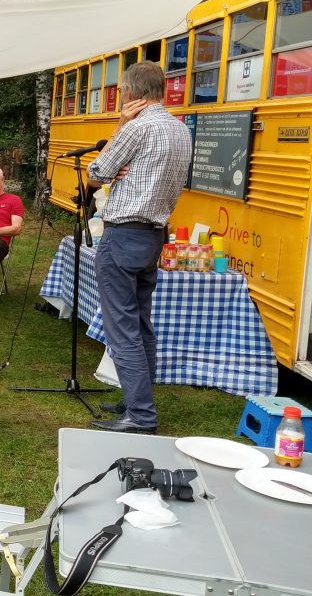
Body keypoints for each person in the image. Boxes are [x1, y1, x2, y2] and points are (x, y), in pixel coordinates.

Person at [86, 62, 192, 434]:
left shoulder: (136, 127)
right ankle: (136, 398)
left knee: (123, 328)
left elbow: (97, 172)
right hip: (154, 233)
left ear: (130, 92)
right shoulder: (180, 130)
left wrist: (117, 131)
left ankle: (141, 416)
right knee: (141, 323)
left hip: (125, 232)